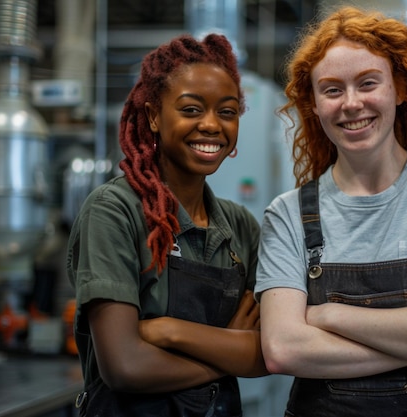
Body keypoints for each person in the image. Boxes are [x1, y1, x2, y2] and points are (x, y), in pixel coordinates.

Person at [255, 6, 407, 417]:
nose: (352, 104)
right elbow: (282, 350)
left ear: (399, 89)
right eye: (332, 90)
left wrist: (325, 315)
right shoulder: (287, 215)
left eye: (368, 83)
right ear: (314, 104)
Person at [67, 33, 267, 417]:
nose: (211, 125)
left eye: (226, 112)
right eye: (191, 109)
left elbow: (266, 355)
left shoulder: (240, 226)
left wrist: (167, 331)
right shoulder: (115, 212)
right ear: (154, 116)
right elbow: (124, 366)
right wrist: (228, 350)